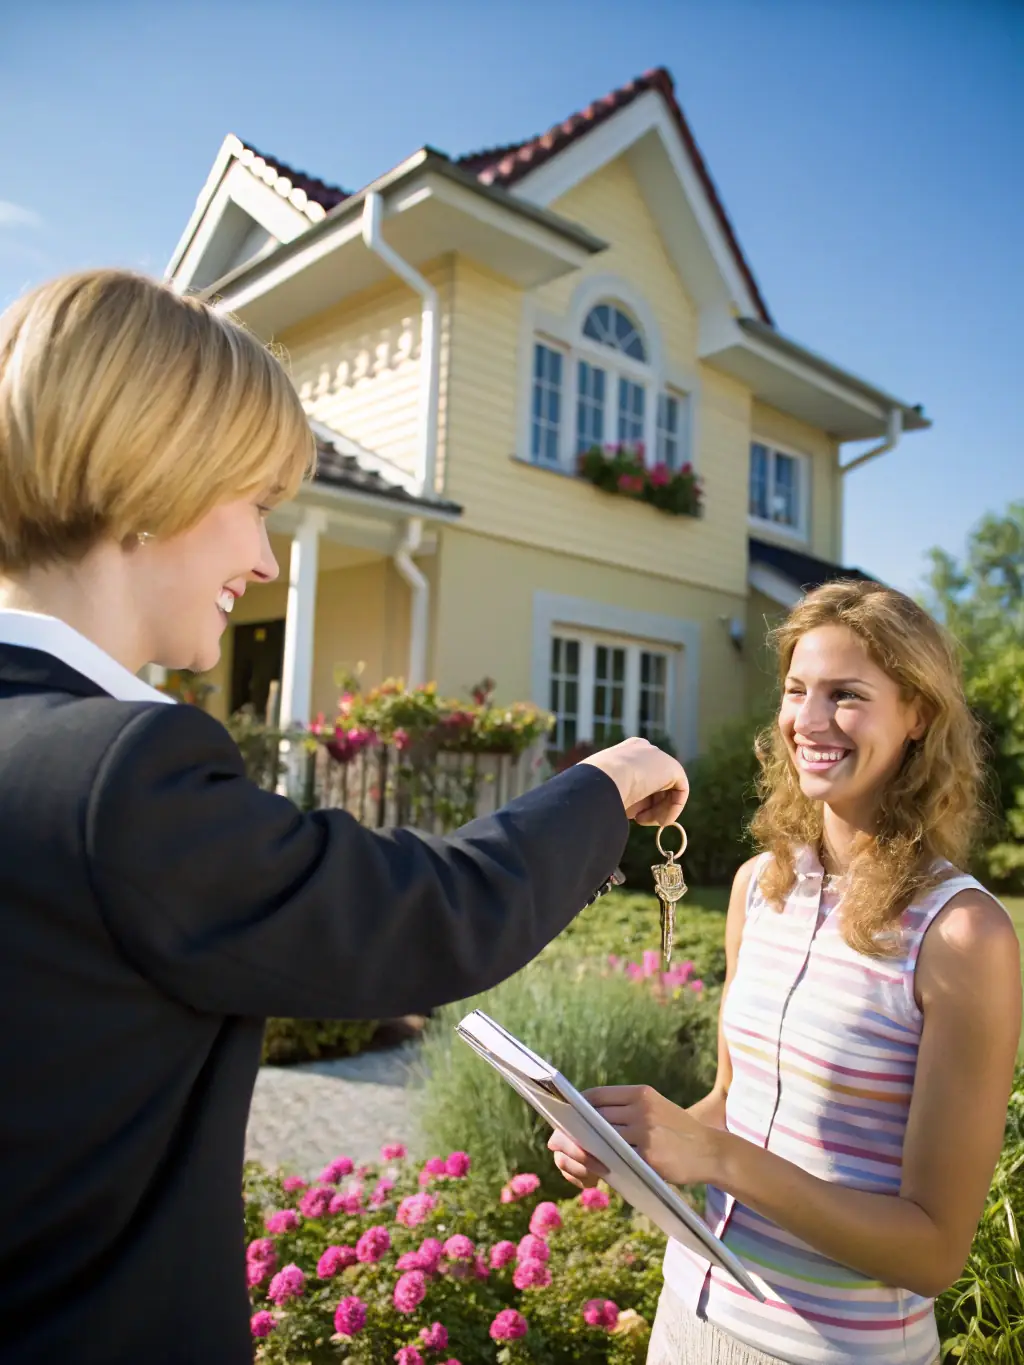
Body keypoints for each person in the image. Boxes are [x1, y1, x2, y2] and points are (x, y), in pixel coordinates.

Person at [0, 269, 689, 1365]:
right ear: (152, 479)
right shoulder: (115, 773)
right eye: (255, 505)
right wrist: (606, 780)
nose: (266, 559)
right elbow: (429, 917)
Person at [549, 580, 1021, 1365]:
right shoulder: (759, 885)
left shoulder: (962, 934)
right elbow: (735, 1103)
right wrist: (628, 1147)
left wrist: (721, 1162)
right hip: (687, 1319)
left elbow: (934, 1250)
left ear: (919, 717)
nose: (808, 719)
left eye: (846, 695)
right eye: (798, 689)